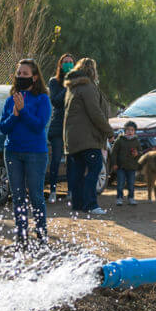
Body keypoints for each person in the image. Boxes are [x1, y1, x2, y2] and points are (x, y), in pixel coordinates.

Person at [0, 58, 52, 247]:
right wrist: (14, 114)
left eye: (25, 74)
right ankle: (21, 238)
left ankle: (41, 235)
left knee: (36, 195)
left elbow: (39, 126)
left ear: (35, 77)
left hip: (35, 154)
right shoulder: (10, 100)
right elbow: (3, 128)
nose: (21, 77)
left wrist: (23, 111)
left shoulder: (42, 99)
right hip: (12, 152)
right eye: (19, 73)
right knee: (18, 196)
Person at [63, 57, 113, 216]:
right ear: (92, 70)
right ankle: (91, 204)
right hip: (88, 138)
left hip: (73, 138)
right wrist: (109, 131)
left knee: (78, 171)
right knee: (95, 168)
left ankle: (78, 205)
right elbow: (95, 113)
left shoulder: (73, 87)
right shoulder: (88, 87)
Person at [46, 53, 76, 203]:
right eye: (65, 62)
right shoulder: (54, 81)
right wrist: (68, 86)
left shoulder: (78, 81)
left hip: (72, 126)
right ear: (60, 64)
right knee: (56, 159)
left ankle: (70, 191)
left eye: (71, 62)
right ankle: (52, 190)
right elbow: (56, 101)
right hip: (58, 125)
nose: (68, 64)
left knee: (71, 160)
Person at [109, 121, 145, 206]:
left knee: (131, 184)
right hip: (120, 166)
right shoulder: (120, 140)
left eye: (132, 130)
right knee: (120, 183)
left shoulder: (136, 141)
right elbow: (114, 153)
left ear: (134, 131)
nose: (130, 132)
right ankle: (119, 198)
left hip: (132, 167)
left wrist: (137, 154)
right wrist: (114, 164)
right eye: (128, 130)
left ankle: (131, 198)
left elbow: (140, 152)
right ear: (125, 131)